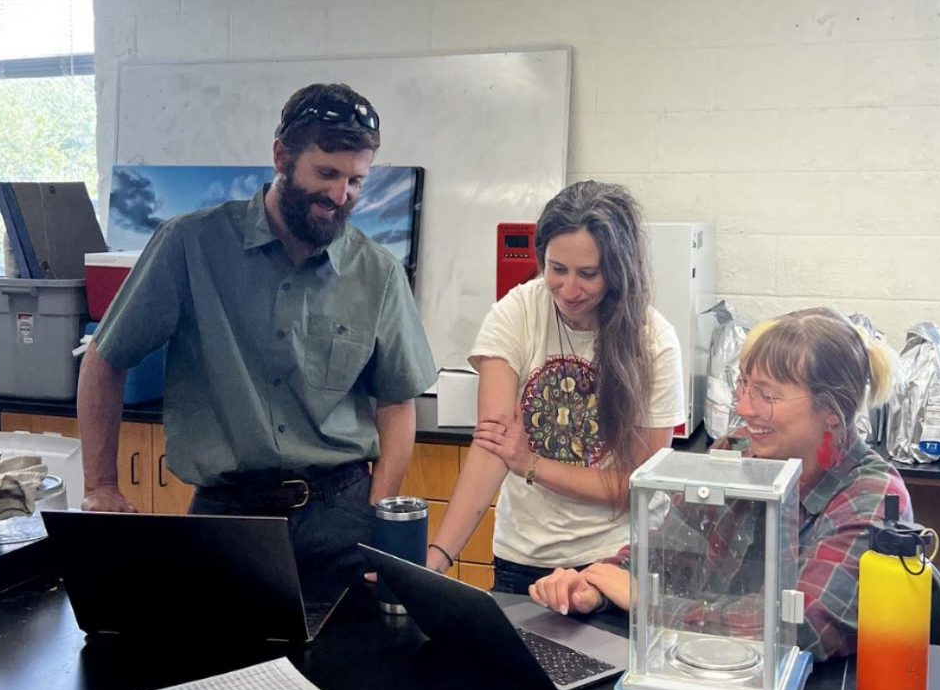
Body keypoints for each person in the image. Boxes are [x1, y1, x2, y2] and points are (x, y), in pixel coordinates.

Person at [77, 83, 437, 589]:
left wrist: (378, 514)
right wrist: (102, 485)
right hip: (227, 521)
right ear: (281, 157)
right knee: (218, 667)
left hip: (341, 520)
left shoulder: (376, 272)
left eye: (356, 181)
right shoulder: (189, 245)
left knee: (347, 667)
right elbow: (105, 358)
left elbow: (397, 403)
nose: (341, 196)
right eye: (327, 174)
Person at [529, 307, 910, 662]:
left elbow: (801, 627)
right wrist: (595, 586)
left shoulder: (873, 498)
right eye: (742, 386)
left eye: (766, 394)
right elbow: (668, 550)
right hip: (712, 669)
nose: (743, 408)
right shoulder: (740, 453)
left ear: (831, 409)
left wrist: (650, 603)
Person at [424, 181, 685, 594]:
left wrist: (532, 465)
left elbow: (637, 484)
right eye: (556, 269)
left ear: (618, 271)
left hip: (613, 563)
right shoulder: (517, 312)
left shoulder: (653, 341)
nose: (569, 289)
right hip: (523, 558)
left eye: (588, 274)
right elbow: (494, 448)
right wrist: (436, 559)